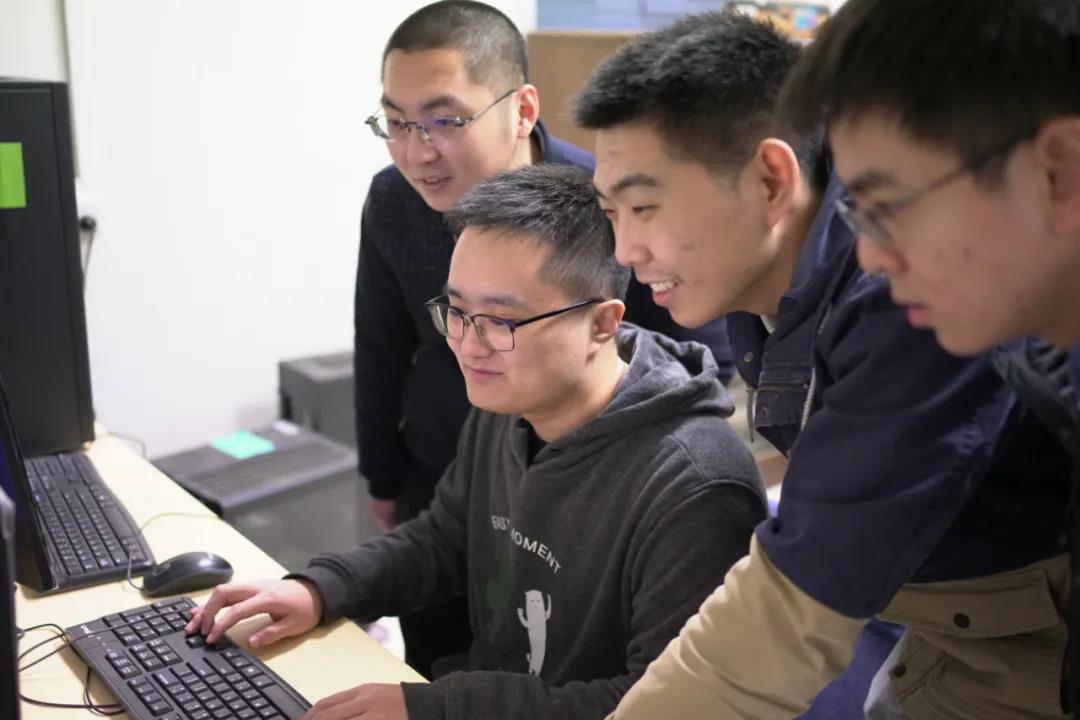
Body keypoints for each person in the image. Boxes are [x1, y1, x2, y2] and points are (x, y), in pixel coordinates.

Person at [573, 11, 1073, 719]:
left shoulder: (906, 299)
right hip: (940, 623)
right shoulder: (775, 278)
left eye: (644, 207)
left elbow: (790, 613)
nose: (625, 251)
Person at [189, 165, 765, 720]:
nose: (468, 345)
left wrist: (438, 708)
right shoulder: (509, 400)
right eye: (457, 311)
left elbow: (661, 704)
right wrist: (321, 589)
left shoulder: (697, 487)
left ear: (601, 324)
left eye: (501, 322)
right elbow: (445, 538)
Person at [354, 0, 733, 677]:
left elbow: (698, 345)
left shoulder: (601, 208)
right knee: (453, 655)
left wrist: (602, 464)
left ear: (522, 109)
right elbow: (378, 344)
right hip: (460, 480)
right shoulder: (393, 200)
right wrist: (382, 477)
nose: (418, 149)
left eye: (445, 120)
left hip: (597, 497)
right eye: (398, 122)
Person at [775, 0, 1080, 712]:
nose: (872, 258)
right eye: (856, 214)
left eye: (889, 207)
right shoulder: (1050, 370)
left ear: (1060, 170)